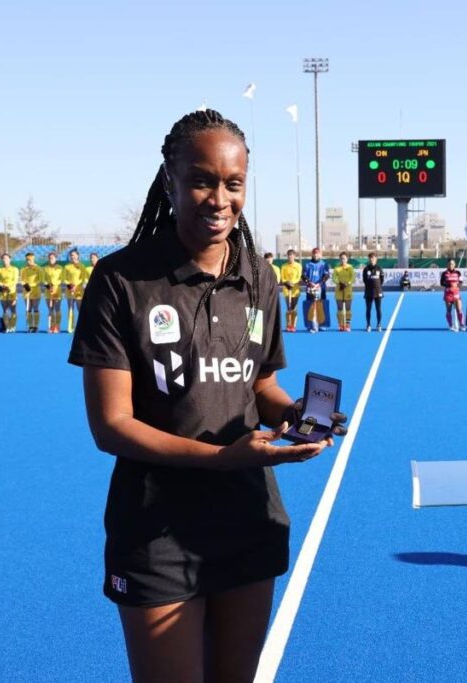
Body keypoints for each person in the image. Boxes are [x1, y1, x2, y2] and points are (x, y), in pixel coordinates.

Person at [68, 109, 331, 683]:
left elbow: (260, 384)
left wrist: (298, 416)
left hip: (249, 519)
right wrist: (219, 457)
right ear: (169, 180)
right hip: (156, 531)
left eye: (234, 183)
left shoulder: (259, 275)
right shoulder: (121, 280)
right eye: (201, 180)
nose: (220, 199)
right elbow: (111, 425)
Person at [301, 247, 330, 333]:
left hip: (321, 288)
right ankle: (311, 325)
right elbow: (303, 276)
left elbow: (326, 276)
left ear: (320, 254)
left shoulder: (324, 264)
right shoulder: (307, 264)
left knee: (321, 306)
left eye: (317, 253)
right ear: (312, 254)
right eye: (314, 253)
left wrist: (319, 284)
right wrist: (310, 283)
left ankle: (322, 324)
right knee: (310, 306)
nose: (316, 255)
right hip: (310, 288)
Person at [63, 249, 86, 333]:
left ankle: (81, 326)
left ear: (77, 256)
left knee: (79, 309)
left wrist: (75, 285)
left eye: (73, 255)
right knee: (70, 309)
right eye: (71, 255)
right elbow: (64, 278)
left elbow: (83, 278)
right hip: (69, 290)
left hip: (79, 291)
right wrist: (70, 285)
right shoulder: (67, 267)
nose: (72, 256)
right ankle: (70, 327)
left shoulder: (82, 266)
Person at [0, 252, 19, 333]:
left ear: (10, 259)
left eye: (6, 258)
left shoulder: (15, 269)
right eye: (3, 258)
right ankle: (7, 326)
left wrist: (7, 286)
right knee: (5, 309)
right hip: (3, 292)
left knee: (13, 309)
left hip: (12, 291)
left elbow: (15, 280)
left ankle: (13, 326)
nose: (4, 260)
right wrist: (2, 285)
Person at [19, 252, 43, 333]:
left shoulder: (38, 268)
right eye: (27, 260)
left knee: (35, 308)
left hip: (36, 291)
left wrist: (32, 285)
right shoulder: (23, 269)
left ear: (33, 259)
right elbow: (21, 279)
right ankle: (30, 325)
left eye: (30, 260)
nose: (28, 261)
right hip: (26, 291)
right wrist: (25, 285)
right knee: (28, 308)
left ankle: (35, 326)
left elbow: (40, 280)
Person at [332, 251, 356, 332]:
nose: (343, 260)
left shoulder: (350, 267)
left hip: (348, 290)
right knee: (339, 309)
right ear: (339, 259)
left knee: (348, 308)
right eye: (341, 258)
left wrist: (347, 283)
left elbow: (353, 278)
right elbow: (334, 278)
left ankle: (348, 325)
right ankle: (341, 325)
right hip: (339, 290)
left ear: (347, 259)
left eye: (344, 258)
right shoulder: (336, 268)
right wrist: (339, 283)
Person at [279, 250, 302, 332]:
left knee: (294, 308)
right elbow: (282, 277)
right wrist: (287, 283)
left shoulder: (298, 266)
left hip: (295, 290)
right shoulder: (284, 266)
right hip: (287, 290)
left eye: (292, 255)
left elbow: (299, 277)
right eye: (289, 255)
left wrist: (293, 283)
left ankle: (293, 326)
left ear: (294, 256)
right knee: (288, 308)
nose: (290, 256)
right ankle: (288, 325)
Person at [42, 252, 64, 334]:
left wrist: (54, 285)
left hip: (57, 290)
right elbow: (43, 279)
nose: (51, 259)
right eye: (49, 258)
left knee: (57, 309)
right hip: (48, 291)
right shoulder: (45, 268)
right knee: (50, 309)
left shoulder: (60, 268)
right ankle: (51, 326)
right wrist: (49, 287)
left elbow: (62, 279)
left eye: (52, 258)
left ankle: (57, 326)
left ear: (56, 258)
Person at [362, 252, 384, 332]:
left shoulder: (379, 268)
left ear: (376, 259)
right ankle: (368, 325)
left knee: (378, 309)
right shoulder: (366, 269)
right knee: (368, 309)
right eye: (370, 258)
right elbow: (364, 280)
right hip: (368, 292)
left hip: (378, 291)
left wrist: (377, 286)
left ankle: (379, 324)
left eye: (373, 258)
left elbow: (381, 280)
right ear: (369, 259)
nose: (372, 260)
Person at [440, 259, 465, 332]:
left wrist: (458, 285)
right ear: (447, 265)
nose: (451, 265)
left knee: (459, 310)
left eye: (452, 264)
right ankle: (450, 325)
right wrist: (449, 284)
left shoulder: (458, 273)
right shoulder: (444, 273)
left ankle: (462, 324)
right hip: (448, 294)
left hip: (456, 293)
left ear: (454, 265)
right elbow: (442, 283)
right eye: (449, 264)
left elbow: (461, 281)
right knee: (449, 310)